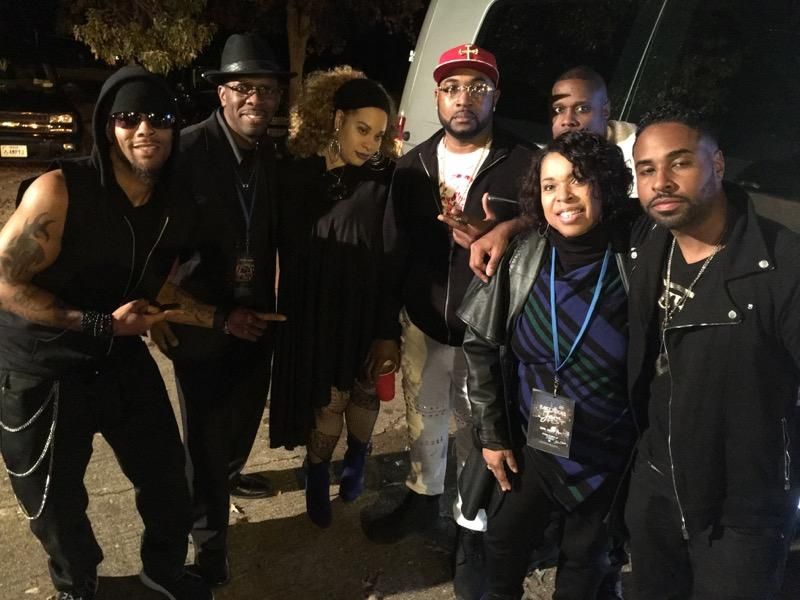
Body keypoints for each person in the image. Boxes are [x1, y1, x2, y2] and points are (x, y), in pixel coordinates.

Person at [0, 66, 212, 600]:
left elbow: (156, 277)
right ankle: (77, 584)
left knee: (166, 475)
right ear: (106, 126)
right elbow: (4, 281)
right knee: (53, 499)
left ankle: (163, 570)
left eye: (159, 117)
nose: (145, 129)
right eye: (128, 117)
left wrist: (217, 318)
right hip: (41, 363)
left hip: (116, 352)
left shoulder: (173, 202)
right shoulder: (60, 190)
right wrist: (101, 323)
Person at [365, 43, 535, 598]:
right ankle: (422, 497)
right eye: (452, 88)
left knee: (482, 429)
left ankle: (472, 527)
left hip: (489, 331)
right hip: (424, 321)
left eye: (477, 87)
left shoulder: (524, 161)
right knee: (425, 416)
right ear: (437, 97)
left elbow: (552, 221)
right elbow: (393, 250)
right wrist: (385, 330)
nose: (464, 98)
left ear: (495, 96)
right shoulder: (412, 165)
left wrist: (507, 229)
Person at [624, 103, 800, 599]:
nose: (661, 182)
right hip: (656, 487)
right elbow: (571, 215)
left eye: (679, 162)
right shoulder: (648, 243)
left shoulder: (781, 263)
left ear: (717, 164)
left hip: (742, 508)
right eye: (646, 169)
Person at [458, 130, 638, 599]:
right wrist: (493, 436)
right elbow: (481, 346)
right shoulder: (522, 254)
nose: (564, 197)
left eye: (578, 179)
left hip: (608, 449)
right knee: (502, 545)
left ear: (605, 184)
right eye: (549, 185)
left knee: (585, 563)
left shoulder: (637, 254)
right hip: (533, 438)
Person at [148, 33, 291, 587]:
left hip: (258, 316)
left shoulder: (270, 155)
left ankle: (230, 475)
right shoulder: (183, 151)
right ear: (222, 93)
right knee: (205, 438)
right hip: (199, 322)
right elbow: (149, 240)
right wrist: (161, 311)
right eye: (244, 87)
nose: (257, 98)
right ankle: (209, 543)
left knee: (243, 419)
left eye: (267, 89)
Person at [269, 67, 398, 528]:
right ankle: (317, 472)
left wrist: (387, 328)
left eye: (379, 135)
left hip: (365, 310)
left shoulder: (384, 180)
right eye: (362, 129)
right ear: (338, 119)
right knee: (326, 401)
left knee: (363, 392)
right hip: (313, 311)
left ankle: (358, 458)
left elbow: (392, 258)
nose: (370, 144)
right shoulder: (295, 174)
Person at [470, 65, 637, 286]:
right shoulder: (545, 161)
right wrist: (505, 229)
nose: (567, 120)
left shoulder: (639, 158)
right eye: (558, 110)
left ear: (605, 110)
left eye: (583, 108)